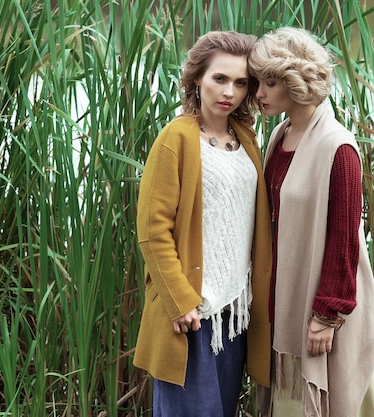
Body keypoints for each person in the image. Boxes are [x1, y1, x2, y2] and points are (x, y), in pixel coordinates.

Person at [133, 31, 272, 417]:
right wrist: (181, 302)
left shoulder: (246, 138)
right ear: (197, 78)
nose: (230, 91)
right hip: (192, 313)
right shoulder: (175, 139)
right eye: (220, 79)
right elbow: (151, 230)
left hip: (235, 313)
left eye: (241, 83)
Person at [248, 26, 374, 417]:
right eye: (257, 82)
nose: (259, 94)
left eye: (269, 83)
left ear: (294, 81)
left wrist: (326, 314)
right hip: (282, 297)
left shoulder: (338, 147)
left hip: (322, 309)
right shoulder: (280, 136)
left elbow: (345, 240)